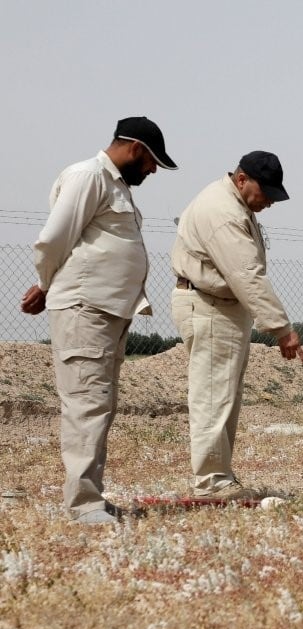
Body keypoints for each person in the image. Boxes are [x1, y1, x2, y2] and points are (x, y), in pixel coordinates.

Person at [20, 116, 178, 524]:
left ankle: (91, 496)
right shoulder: (88, 176)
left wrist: (47, 283)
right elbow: (55, 238)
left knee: (99, 404)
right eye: (151, 161)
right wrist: (45, 282)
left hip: (108, 311)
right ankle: (83, 505)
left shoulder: (113, 184)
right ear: (135, 149)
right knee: (86, 403)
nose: (153, 170)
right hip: (85, 309)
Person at [171, 151, 303, 500]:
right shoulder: (224, 212)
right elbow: (247, 276)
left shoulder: (232, 204)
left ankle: (218, 474)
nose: (269, 204)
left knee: (222, 394)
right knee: (214, 395)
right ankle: (212, 481)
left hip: (219, 307)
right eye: (266, 194)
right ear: (242, 179)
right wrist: (282, 328)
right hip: (210, 307)